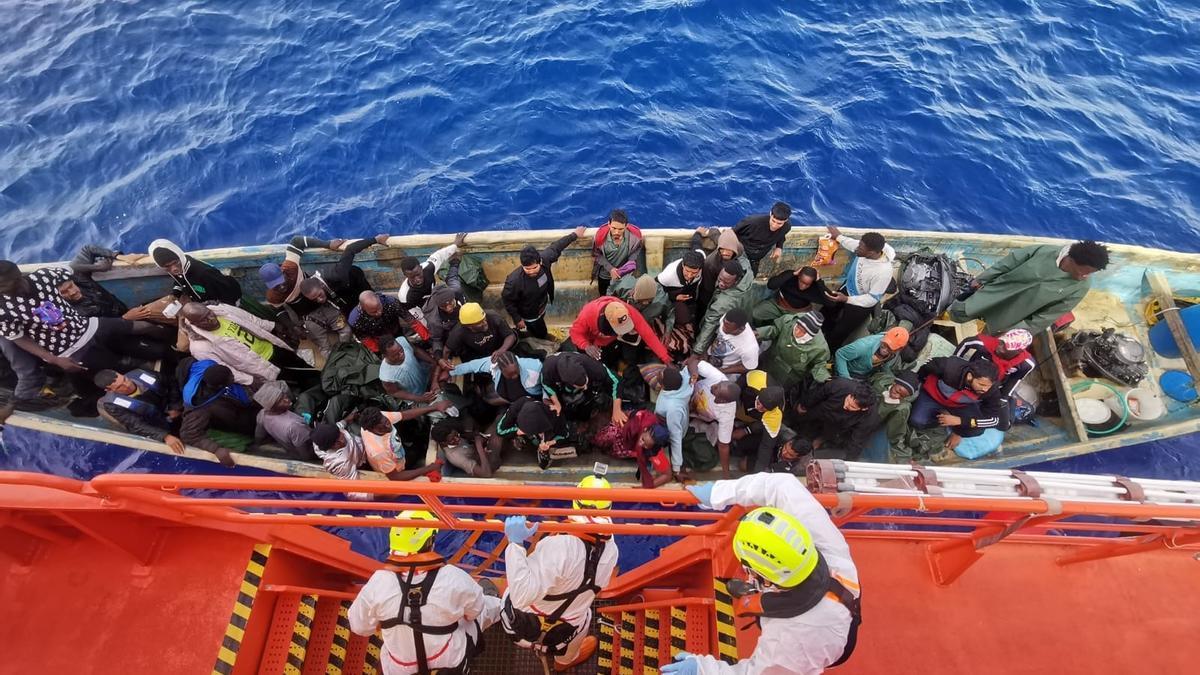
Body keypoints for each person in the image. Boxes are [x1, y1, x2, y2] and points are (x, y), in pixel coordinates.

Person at [670, 474, 860, 675]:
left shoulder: (791, 641)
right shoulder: (829, 547)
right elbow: (782, 486)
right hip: (824, 606)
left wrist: (701, 669)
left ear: (766, 579)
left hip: (828, 641)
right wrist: (719, 492)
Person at [349, 513, 502, 675]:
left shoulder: (378, 583)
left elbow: (359, 627)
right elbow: (475, 610)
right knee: (481, 608)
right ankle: (506, 611)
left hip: (401, 669)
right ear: (430, 542)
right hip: (449, 663)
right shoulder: (452, 576)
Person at [501, 476, 619, 672]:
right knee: (585, 614)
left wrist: (515, 544)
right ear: (608, 508)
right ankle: (565, 661)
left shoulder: (557, 545)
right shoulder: (611, 550)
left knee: (511, 586)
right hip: (564, 636)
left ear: (575, 502)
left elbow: (520, 596)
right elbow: (600, 585)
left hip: (519, 627)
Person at [0, 262, 166, 397]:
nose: (5, 291)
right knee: (117, 368)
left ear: (17, 276)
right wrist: (54, 359)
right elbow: (17, 337)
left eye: (6, 286)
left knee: (145, 327)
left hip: (86, 325)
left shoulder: (44, 275)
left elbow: (71, 268)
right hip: (67, 349)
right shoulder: (3, 308)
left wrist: (98, 266)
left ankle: (174, 345)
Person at [950, 240, 1110, 334]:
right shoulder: (1043, 251)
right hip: (994, 293)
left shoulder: (1081, 287)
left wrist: (1017, 333)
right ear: (1073, 260)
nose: (1086, 276)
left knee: (986, 336)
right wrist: (981, 279)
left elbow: (1047, 316)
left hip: (1011, 316)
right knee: (959, 312)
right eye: (1085, 271)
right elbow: (1007, 264)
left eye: (1092, 273)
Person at [179, 302, 316, 387]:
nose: (211, 319)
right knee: (295, 380)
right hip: (262, 366)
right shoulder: (200, 347)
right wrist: (249, 380)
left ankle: (319, 379)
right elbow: (225, 369)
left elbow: (250, 319)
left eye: (209, 314)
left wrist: (273, 327)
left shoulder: (221, 310)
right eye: (204, 320)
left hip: (272, 346)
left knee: (303, 366)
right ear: (194, 323)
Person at [820, 226, 896, 351]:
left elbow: (872, 299)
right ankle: (821, 331)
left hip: (861, 304)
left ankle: (828, 351)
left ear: (871, 253)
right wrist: (838, 236)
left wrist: (846, 300)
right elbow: (852, 244)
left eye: (860, 247)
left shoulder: (883, 272)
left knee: (840, 331)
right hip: (847, 289)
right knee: (828, 309)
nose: (857, 248)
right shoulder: (865, 249)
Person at [503, 227, 586, 338]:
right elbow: (508, 301)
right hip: (529, 314)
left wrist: (574, 235)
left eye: (534, 268)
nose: (531, 271)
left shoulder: (545, 260)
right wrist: (517, 319)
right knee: (540, 331)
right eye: (527, 269)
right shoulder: (513, 281)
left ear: (540, 262)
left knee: (540, 322)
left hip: (542, 306)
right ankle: (540, 338)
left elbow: (556, 247)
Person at [176, 358, 258, 466]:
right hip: (237, 418)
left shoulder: (207, 364)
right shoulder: (198, 406)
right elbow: (189, 434)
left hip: (245, 401)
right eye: (230, 378)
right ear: (219, 386)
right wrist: (216, 450)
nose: (233, 377)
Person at [910, 357, 1000, 454]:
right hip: (932, 396)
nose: (985, 389)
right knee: (917, 421)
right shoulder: (948, 367)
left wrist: (960, 424)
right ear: (970, 376)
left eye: (988, 386)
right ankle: (941, 419)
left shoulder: (992, 391)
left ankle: (951, 426)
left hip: (960, 405)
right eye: (981, 384)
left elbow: (994, 420)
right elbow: (924, 369)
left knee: (977, 429)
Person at [953, 328, 1036, 431]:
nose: (999, 347)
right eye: (1001, 342)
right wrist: (956, 363)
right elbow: (966, 343)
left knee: (1004, 425)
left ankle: (1011, 401)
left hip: (995, 388)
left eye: (1005, 347)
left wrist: (1004, 398)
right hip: (973, 380)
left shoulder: (1025, 364)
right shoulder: (987, 345)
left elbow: (1015, 380)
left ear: (1018, 351)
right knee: (960, 406)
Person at [94, 367, 184, 455]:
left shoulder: (141, 373)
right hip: (162, 424)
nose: (127, 385)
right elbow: (136, 425)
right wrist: (164, 436)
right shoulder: (113, 405)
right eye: (119, 387)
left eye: (125, 379)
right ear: (109, 390)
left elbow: (171, 382)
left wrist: (174, 406)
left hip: (176, 407)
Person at [787, 378, 880, 460]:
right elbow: (818, 393)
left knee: (824, 436)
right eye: (848, 400)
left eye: (851, 407)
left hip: (837, 425)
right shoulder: (840, 385)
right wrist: (804, 404)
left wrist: (849, 463)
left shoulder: (869, 418)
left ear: (863, 409)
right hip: (822, 410)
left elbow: (856, 441)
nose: (845, 406)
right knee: (800, 419)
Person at [569, 296, 672, 364]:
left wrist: (666, 359)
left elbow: (648, 335)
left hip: (608, 344)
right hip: (588, 343)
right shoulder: (588, 314)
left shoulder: (629, 312)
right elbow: (574, 333)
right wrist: (586, 346)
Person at [358, 405, 450, 481]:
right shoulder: (378, 452)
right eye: (381, 427)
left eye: (386, 421)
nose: (388, 425)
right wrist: (428, 468)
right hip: (397, 468)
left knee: (418, 447)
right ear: (372, 429)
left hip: (400, 454)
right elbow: (395, 476)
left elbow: (404, 415)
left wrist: (434, 407)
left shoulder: (380, 417)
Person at [148, 239, 245, 307]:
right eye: (167, 266)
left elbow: (230, 290)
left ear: (180, 256)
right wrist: (175, 294)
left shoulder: (204, 273)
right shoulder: (180, 269)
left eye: (175, 263)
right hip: (199, 302)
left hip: (222, 304)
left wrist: (220, 306)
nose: (174, 269)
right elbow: (180, 281)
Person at [540, 351, 624, 427]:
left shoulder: (589, 364)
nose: (585, 387)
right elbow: (546, 384)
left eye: (585, 383)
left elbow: (615, 380)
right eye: (582, 386)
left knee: (587, 404)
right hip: (563, 392)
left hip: (586, 392)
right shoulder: (548, 369)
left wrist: (617, 409)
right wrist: (556, 402)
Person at [688, 359, 741, 478]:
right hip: (683, 395)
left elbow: (723, 445)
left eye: (716, 389)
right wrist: (694, 375)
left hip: (695, 417)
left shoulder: (727, 413)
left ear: (721, 400)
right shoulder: (718, 377)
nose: (714, 385)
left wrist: (726, 475)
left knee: (706, 456)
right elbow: (693, 361)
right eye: (718, 385)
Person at [692, 261, 753, 360]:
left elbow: (710, 324)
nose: (721, 283)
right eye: (720, 279)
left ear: (736, 281)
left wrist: (696, 352)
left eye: (726, 282)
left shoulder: (725, 302)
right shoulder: (748, 274)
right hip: (743, 316)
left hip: (732, 327)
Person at [756, 311, 831, 389]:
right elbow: (774, 330)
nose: (797, 331)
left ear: (810, 335)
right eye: (798, 326)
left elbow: (819, 364)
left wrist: (824, 378)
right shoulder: (788, 321)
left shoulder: (820, 348)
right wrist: (758, 333)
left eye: (802, 331)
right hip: (770, 359)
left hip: (788, 376)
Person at [490, 396, 568, 470]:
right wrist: (518, 431)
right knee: (500, 421)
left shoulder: (555, 414)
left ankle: (539, 444)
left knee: (544, 462)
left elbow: (565, 434)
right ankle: (520, 438)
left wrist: (550, 443)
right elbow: (500, 430)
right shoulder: (517, 406)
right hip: (519, 428)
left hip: (545, 429)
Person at [731, 371, 788, 474]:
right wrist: (733, 401)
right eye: (759, 403)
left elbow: (766, 446)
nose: (759, 407)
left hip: (754, 420)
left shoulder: (775, 415)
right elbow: (737, 385)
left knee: (741, 445)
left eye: (764, 408)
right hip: (742, 401)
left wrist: (759, 476)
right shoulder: (756, 379)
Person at [396, 233, 468, 311]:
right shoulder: (405, 296)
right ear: (405, 275)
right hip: (427, 311)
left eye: (418, 274)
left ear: (421, 268)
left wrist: (455, 245)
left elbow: (439, 255)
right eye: (412, 277)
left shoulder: (428, 268)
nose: (417, 279)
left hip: (437, 296)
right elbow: (414, 315)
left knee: (457, 290)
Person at [449, 351, 543, 406]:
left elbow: (548, 384)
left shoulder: (535, 368)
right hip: (509, 399)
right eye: (510, 374)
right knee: (488, 400)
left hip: (532, 400)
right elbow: (472, 365)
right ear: (500, 369)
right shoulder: (493, 365)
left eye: (516, 372)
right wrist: (451, 372)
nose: (514, 376)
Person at [251, 380, 315, 461]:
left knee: (305, 397)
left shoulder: (262, 414)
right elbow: (306, 456)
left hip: (298, 433)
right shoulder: (294, 426)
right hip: (310, 443)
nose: (287, 400)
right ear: (272, 407)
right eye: (280, 401)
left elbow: (259, 437)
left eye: (283, 396)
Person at [694, 228, 751, 317]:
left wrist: (713, 231)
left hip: (729, 282)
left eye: (728, 250)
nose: (724, 253)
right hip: (710, 287)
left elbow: (719, 238)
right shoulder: (711, 263)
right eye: (722, 249)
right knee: (704, 307)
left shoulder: (739, 248)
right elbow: (707, 287)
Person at [753, 265, 829, 328]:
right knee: (756, 313)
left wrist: (819, 281)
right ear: (798, 276)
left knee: (791, 329)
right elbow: (771, 285)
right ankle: (762, 331)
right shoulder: (790, 276)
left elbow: (831, 303)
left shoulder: (815, 287)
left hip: (797, 313)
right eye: (801, 282)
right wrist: (792, 274)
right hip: (778, 305)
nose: (803, 286)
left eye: (807, 284)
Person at [296, 277, 353, 357]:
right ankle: (335, 363)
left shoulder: (334, 284)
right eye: (314, 299)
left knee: (346, 331)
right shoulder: (303, 303)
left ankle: (344, 351)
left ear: (322, 286)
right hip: (312, 317)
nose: (319, 300)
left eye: (320, 295)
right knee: (324, 347)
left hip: (328, 309)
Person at [591, 209, 644, 296]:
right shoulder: (599, 238)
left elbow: (638, 248)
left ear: (626, 226)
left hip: (624, 275)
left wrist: (631, 260)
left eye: (620, 229)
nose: (616, 232)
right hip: (605, 276)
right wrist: (610, 269)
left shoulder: (635, 237)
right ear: (609, 224)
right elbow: (596, 255)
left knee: (621, 297)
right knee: (604, 296)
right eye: (614, 228)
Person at [657, 249, 705, 342]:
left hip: (689, 294)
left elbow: (698, 249)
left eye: (694, 273)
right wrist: (674, 297)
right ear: (683, 265)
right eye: (687, 271)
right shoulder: (667, 276)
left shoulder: (701, 260)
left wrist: (698, 234)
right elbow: (657, 292)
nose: (690, 275)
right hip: (671, 296)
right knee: (684, 319)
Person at [443, 302, 517, 363]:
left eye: (484, 319)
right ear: (469, 326)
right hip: (478, 355)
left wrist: (501, 350)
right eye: (480, 322)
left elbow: (510, 335)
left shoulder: (493, 316)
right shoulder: (459, 332)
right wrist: (446, 364)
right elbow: (447, 350)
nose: (485, 323)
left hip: (499, 346)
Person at [732, 201, 792, 273]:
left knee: (752, 275)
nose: (774, 225)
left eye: (779, 223)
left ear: (786, 220)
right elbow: (732, 232)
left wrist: (779, 247)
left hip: (756, 259)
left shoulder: (786, 227)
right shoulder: (752, 222)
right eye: (773, 221)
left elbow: (781, 235)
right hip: (741, 253)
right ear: (770, 214)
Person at [653, 366, 692, 478]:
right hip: (669, 416)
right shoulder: (684, 378)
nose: (658, 372)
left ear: (663, 386)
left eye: (660, 375)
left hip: (670, 426)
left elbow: (676, 437)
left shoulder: (673, 408)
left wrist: (676, 467)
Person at [874, 371, 920, 463]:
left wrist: (904, 457)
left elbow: (896, 434)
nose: (896, 396)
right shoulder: (881, 381)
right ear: (894, 383)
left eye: (902, 396)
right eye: (897, 391)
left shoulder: (902, 408)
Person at [834, 327, 909, 383]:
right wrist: (846, 379)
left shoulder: (894, 352)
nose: (885, 350)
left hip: (864, 375)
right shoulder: (863, 346)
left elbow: (884, 365)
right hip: (848, 371)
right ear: (885, 336)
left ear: (899, 349)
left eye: (890, 348)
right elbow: (840, 354)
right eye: (884, 344)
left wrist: (892, 380)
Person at [430, 420, 499, 478]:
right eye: (452, 439)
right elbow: (486, 474)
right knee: (497, 436)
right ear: (443, 443)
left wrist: (475, 436)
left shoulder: (452, 437)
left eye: (456, 434)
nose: (457, 439)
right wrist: (479, 446)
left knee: (497, 422)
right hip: (485, 462)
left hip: (480, 450)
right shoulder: (456, 457)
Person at [310, 418, 368, 483]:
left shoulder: (322, 438)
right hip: (363, 459)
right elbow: (353, 487)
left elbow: (338, 426)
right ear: (335, 445)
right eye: (340, 437)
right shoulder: (341, 464)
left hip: (358, 443)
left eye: (339, 432)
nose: (343, 434)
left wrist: (346, 420)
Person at [702, 308, 759, 375]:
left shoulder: (750, 347)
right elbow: (714, 333)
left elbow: (748, 367)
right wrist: (704, 351)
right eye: (724, 324)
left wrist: (722, 372)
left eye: (728, 328)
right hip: (708, 355)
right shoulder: (727, 319)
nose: (723, 329)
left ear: (741, 329)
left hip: (723, 368)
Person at [378, 335, 435, 402]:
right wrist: (419, 398)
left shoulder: (402, 341)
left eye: (401, 350)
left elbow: (415, 350)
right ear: (385, 356)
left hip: (427, 375)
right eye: (395, 355)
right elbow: (394, 392)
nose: (401, 354)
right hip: (417, 395)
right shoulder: (386, 376)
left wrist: (432, 362)